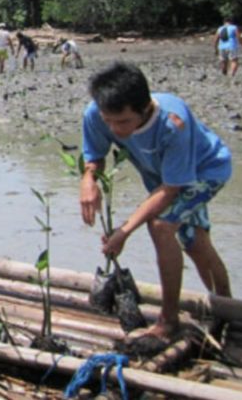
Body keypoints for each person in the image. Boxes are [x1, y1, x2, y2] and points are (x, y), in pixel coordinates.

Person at [80, 62, 232, 345]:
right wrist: (89, 179)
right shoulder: (96, 114)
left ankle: (169, 321)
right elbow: (95, 155)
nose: (115, 128)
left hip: (205, 172)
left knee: (161, 226)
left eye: (123, 121)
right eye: (109, 120)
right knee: (196, 243)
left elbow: (173, 188)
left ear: (144, 107)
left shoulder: (173, 122)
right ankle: (227, 307)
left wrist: (124, 231)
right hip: (164, 178)